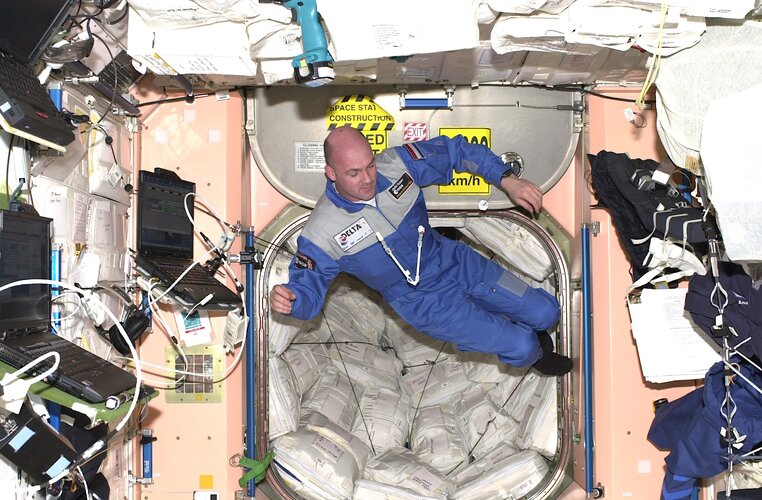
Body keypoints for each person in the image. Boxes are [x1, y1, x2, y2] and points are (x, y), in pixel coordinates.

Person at [270, 126, 571, 376]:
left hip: (454, 261)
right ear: (331, 173)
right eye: (354, 172)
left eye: (370, 165)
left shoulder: (398, 164)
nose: (367, 179)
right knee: (522, 346)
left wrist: (508, 180)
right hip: (424, 302)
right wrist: (293, 301)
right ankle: (535, 355)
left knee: (547, 313)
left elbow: (456, 151)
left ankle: (526, 327)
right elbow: (306, 292)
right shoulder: (321, 233)